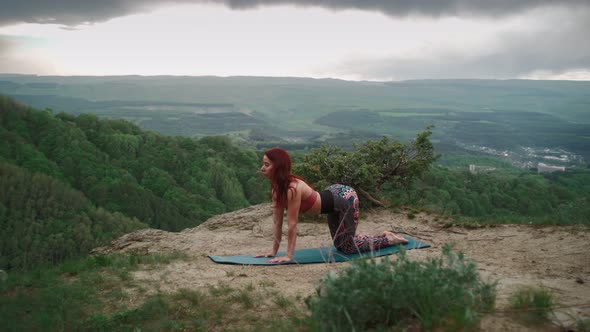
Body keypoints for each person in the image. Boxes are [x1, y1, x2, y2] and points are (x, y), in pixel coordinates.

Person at [255, 147, 408, 263]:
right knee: (342, 245)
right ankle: (383, 236)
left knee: (347, 248)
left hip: (344, 198)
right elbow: (277, 222)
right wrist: (273, 251)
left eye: (266, 165)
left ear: (278, 167)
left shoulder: (292, 189)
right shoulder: (277, 190)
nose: (262, 168)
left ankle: (389, 240)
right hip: (332, 200)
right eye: (263, 164)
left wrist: (288, 256)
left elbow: (292, 224)